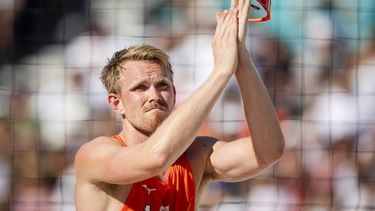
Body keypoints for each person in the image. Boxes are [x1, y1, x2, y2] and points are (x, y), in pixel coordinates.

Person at [74, 0, 285, 210]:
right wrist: (221, 71)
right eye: (140, 87)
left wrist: (241, 58)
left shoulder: (196, 154)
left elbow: (270, 151)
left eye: (162, 85)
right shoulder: (95, 154)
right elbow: (156, 158)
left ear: (174, 94)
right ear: (116, 103)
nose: (154, 95)